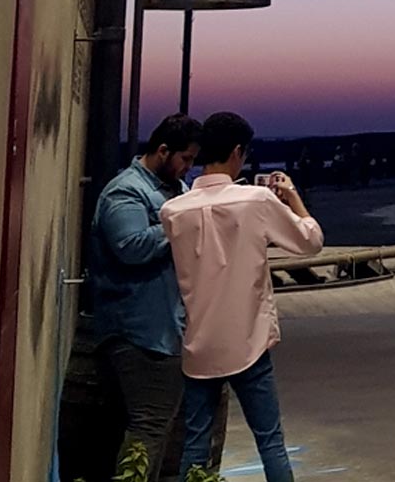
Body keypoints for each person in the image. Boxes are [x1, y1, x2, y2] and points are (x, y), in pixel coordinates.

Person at [162, 112, 324, 482]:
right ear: (238, 152)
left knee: (195, 446)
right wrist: (292, 196)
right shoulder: (256, 200)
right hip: (248, 341)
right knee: (270, 443)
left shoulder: (172, 211)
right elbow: (311, 241)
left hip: (199, 343)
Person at [90, 114, 203, 479]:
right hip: (139, 332)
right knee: (148, 429)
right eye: (185, 159)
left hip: (165, 329)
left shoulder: (176, 190)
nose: (188, 167)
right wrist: (181, 222)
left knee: (152, 430)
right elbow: (130, 246)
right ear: (162, 150)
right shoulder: (125, 191)